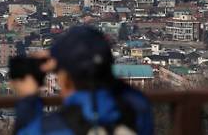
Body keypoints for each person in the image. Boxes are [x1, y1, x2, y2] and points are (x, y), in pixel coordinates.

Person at [12, 26, 154, 135]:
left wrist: (28, 100)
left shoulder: (54, 128)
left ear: (66, 78)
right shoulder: (137, 109)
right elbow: (123, 90)